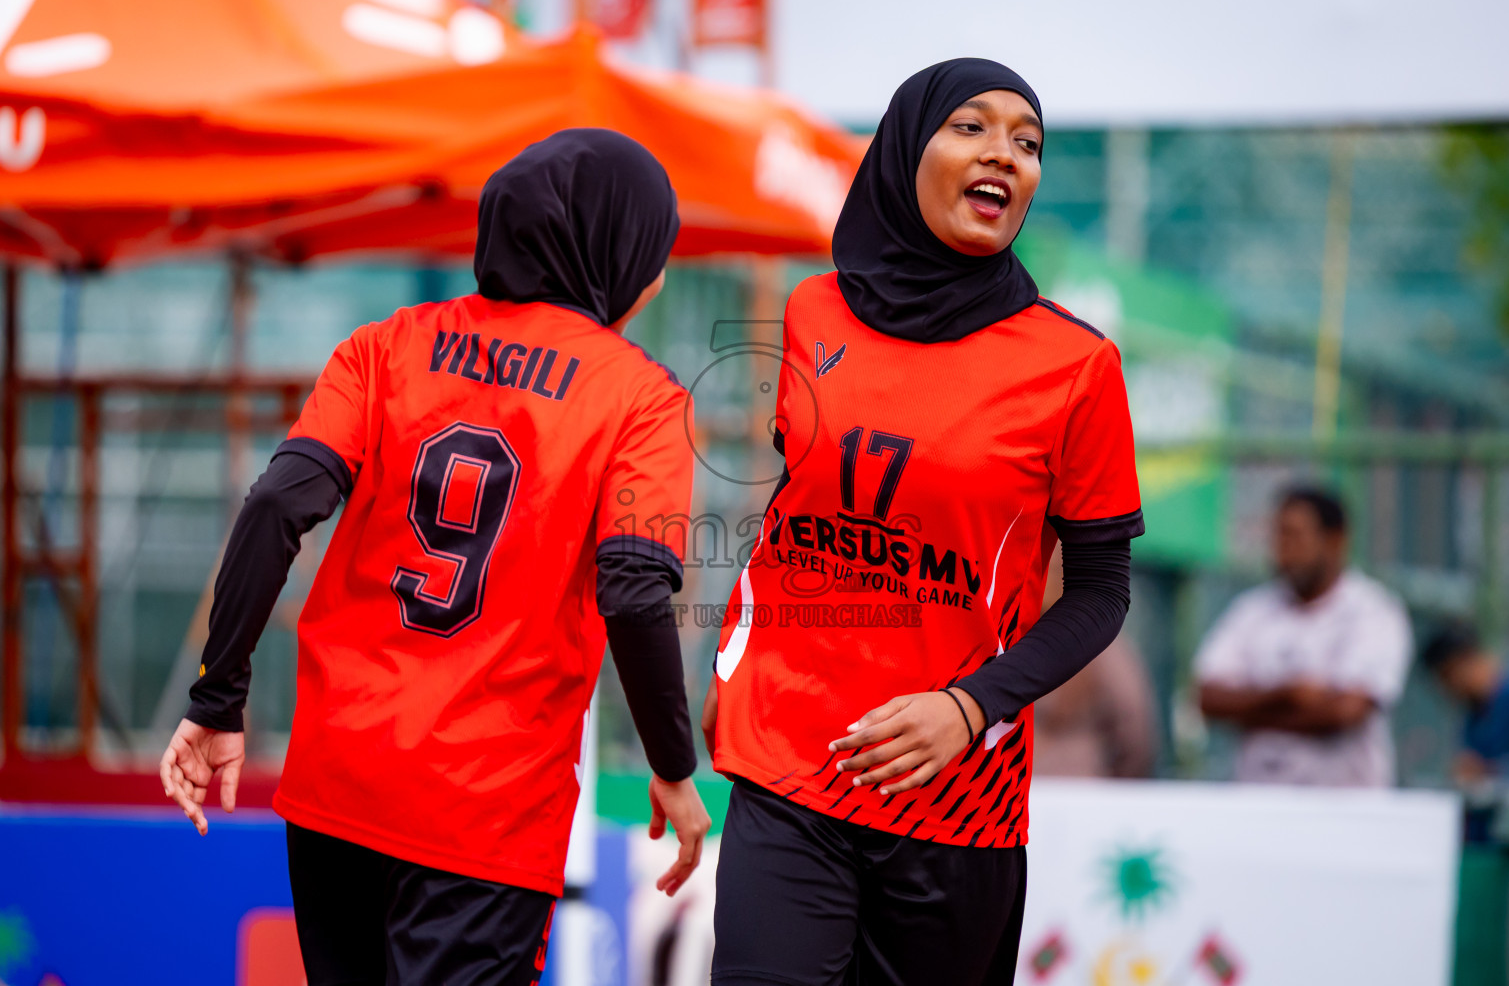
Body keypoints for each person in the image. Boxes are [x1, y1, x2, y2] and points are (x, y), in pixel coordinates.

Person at [159, 129, 710, 985]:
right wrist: (673, 767)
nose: (660, 275)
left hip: (337, 786)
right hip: (485, 814)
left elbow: (276, 505)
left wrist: (217, 698)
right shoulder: (642, 399)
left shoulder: (383, 346)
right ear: (615, 250)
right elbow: (634, 591)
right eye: (657, 251)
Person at [704, 59, 1144, 985]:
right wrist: (735, 662)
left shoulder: (1075, 366)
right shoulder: (812, 309)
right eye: (972, 128)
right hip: (789, 757)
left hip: (955, 799)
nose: (1005, 156)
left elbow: (1102, 593)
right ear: (906, 148)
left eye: (1027, 143)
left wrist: (970, 706)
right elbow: (793, 518)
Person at [1194, 486, 1411, 788]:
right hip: (1260, 805)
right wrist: (1286, 694)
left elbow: (1346, 712)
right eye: (1277, 536)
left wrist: (1251, 714)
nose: (1282, 549)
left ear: (1335, 540)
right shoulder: (1253, 609)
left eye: (1294, 535)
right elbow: (1207, 697)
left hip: (1346, 811)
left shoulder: (1373, 612)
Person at [1032, 547, 1158, 778]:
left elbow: (1136, 737)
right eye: (1039, 571)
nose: (1045, 580)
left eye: (1056, 571)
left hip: (1083, 792)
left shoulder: (1103, 646)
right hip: (1010, 794)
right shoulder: (1005, 638)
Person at [1424, 622, 1509, 783]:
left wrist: (1492, 771)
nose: (1446, 688)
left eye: (1448, 675)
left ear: (1469, 659)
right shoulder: (1474, 715)